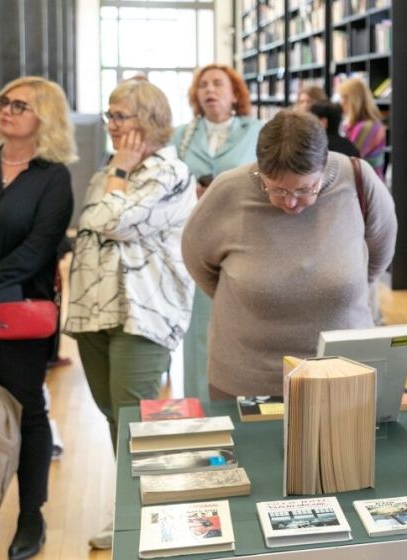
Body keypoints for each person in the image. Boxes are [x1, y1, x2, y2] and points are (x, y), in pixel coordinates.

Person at [65, 79, 196, 548]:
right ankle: (134, 508)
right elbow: (87, 225)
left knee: (136, 417)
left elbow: (109, 220)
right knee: (113, 416)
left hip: (145, 312)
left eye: (121, 116)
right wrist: (116, 174)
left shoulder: (169, 171)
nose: (112, 124)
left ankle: (154, 517)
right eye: (111, 115)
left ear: (151, 120)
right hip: (93, 310)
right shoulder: (111, 169)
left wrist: (119, 173)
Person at [182, 110, 396, 397]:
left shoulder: (358, 180)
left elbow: (380, 253)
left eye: (305, 189)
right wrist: (253, 295)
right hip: (247, 379)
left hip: (343, 374)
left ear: (324, 166)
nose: (291, 203)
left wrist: (339, 286)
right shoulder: (228, 190)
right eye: (278, 190)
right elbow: (197, 260)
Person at [0, 76, 75, 559]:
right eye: (5, 101)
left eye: (21, 105)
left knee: (27, 412)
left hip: (14, 314)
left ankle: (30, 516)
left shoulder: (53, 177)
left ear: (45, 118)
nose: (7, 109)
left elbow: (40, 247)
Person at [172, 64, 263, 403]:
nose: (209, 90)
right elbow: (168, 181)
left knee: (244, 326)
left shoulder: (257, 131)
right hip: (195, 240)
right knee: (198, 327)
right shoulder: (180, 135)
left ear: (235, 94)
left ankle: (245, 407)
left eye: (218, 84)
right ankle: (200, 409)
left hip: (244, 239)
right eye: (203, 85)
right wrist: (189, 192)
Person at [337, 78, 386, 179]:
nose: (341, 102)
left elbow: (348, 158)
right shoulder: (354, 124)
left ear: (354, 100)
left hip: (366, 184)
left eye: (343, 97)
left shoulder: (368, 127)